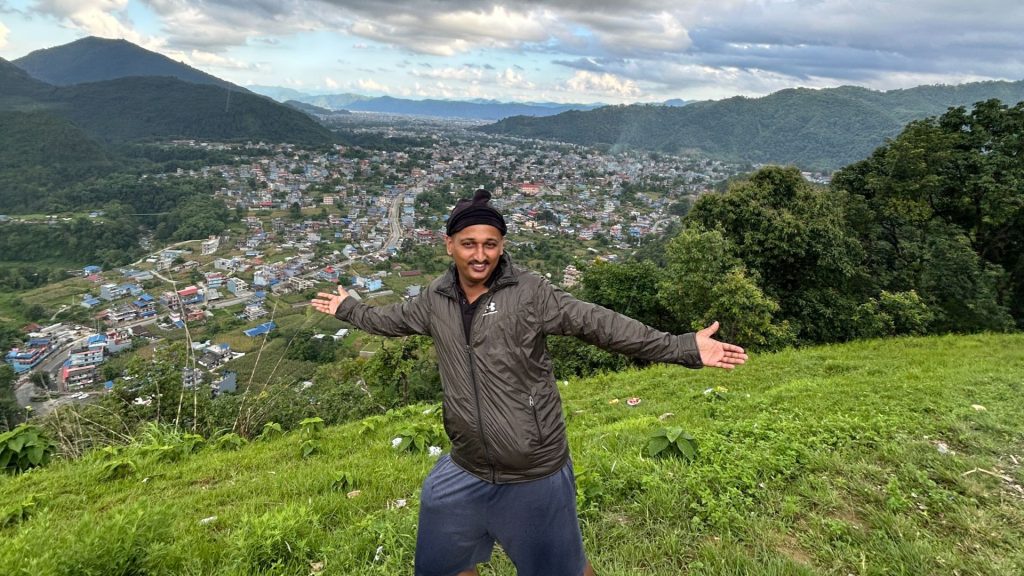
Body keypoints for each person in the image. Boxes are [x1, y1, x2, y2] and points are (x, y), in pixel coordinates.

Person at [312, 188, 747, 576]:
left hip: (533, 470)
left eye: (490, 244)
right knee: (441, 565)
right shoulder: (435, 300)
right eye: (468, 244)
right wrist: (348, 308)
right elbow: (389, 320)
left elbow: (599, 324)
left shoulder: (529, 293)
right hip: (466, 465)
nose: (479, 255)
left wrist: (682, 347)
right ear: (449, 245)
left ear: (501, 246)